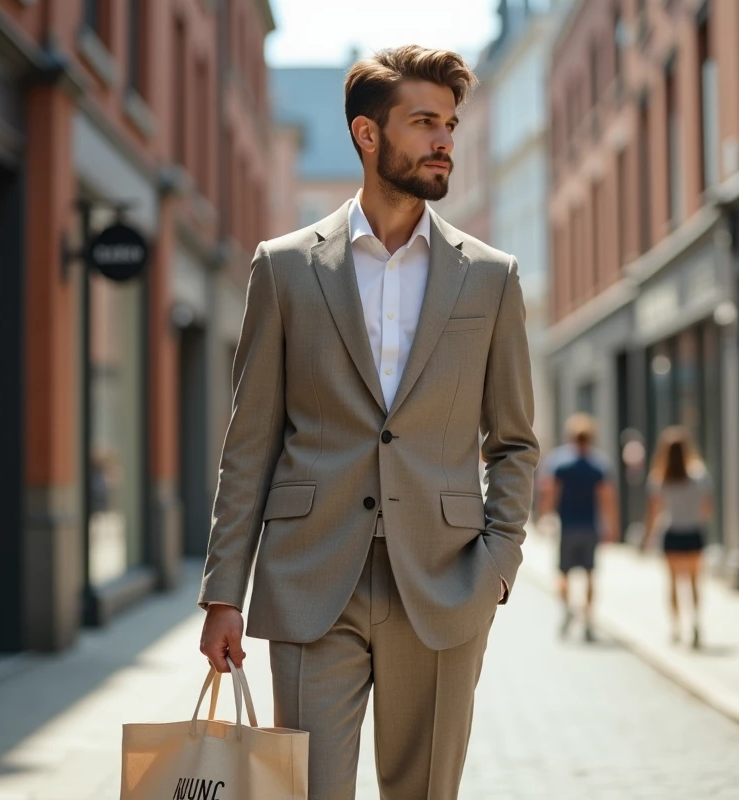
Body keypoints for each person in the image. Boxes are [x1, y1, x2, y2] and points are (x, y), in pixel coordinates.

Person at [197, 45, 538, 800]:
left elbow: (513, 441)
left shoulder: (490, 277)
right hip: (312, 578)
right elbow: (249, 442)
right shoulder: (284, 268)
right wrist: (225, 591)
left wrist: (499, 565)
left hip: (446, 581)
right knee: (310, 792)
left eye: (449, 123)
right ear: (367, 134)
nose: (445, 140)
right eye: (424, 122)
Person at [537, 413, 618, 642]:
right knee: (590, 575)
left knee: (563, 575)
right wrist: (611, 527)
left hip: (568, 526)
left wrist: (544, 517)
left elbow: (549, 492)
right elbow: (608, 499)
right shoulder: (599, 464)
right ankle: (588, 621)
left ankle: (569, 610)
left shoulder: (559, 462)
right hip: (590, 526)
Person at [641, 427, 713, 649]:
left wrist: (647, 538)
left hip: (672, 534)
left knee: (672, 583)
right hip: (693, 533)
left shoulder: (659, 477)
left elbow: (654, 513)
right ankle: (696, 624)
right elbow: (708, 509)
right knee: (693, 583)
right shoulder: (699, 475)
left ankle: (675, 628)